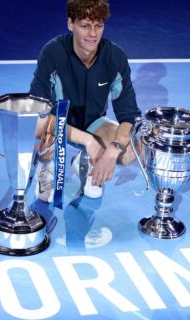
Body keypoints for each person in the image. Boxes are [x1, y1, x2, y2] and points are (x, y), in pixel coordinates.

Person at [30, 0, 141, 202]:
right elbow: (38, 113)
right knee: (40, 131)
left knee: (131, 150)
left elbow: (129, 115)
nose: (93, 34)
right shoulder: (52, 52)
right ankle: (47, 167)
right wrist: (89, 141)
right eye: (85, 26)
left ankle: (85, 162)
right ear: (70, 24)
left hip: (93, 123)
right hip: (58, 124)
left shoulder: (115, 57)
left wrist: (112, 151)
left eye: (98, 26)